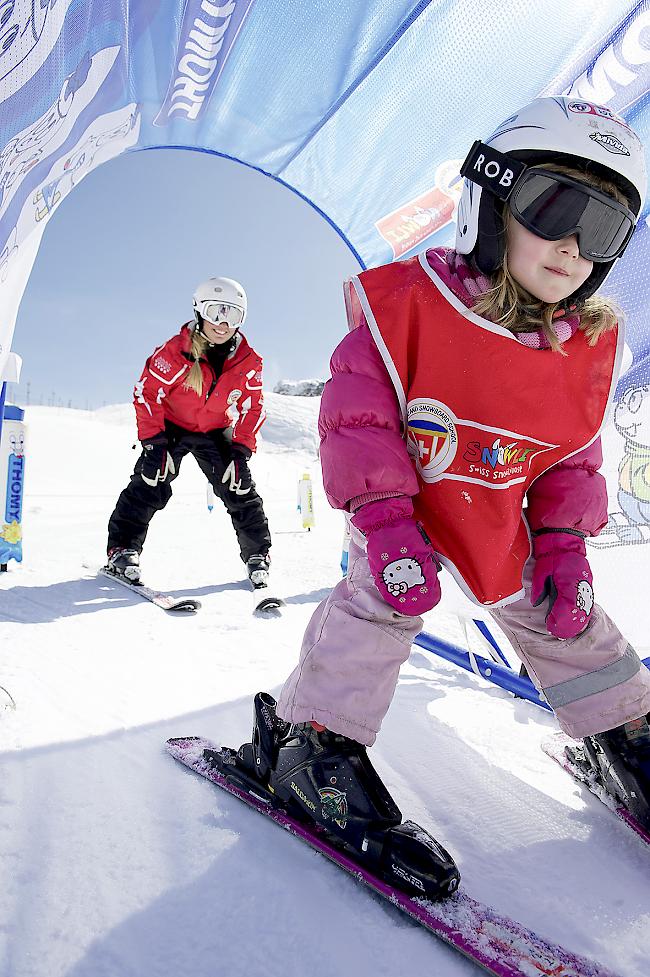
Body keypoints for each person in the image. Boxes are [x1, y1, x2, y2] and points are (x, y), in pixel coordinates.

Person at [222, 97, 650, 879]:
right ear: (493, 200)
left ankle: (626, 730)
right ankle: (312, 745)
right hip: (405, 510)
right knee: (375, 609)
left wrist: (561, 542)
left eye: (604, 230)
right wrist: (383, 523)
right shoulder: (414, 306)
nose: (572, 246)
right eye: (554, 206)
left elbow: (569, 459)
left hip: (498, 515)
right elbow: (356, 414)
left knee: (568, 616)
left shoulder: (581, 347)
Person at [106, 276, 271, 586]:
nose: (223, 323)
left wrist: (240, 450)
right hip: (170, 429)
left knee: (238, 486)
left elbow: (255, 406)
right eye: (215, 312)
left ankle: (257, 554)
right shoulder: (175, 352)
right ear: (199, 312)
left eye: (233, 315)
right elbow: (147, 393)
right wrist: (154, 444)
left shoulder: (248, 362)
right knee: (149, 481)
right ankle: (122, 549)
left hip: (214, 429)